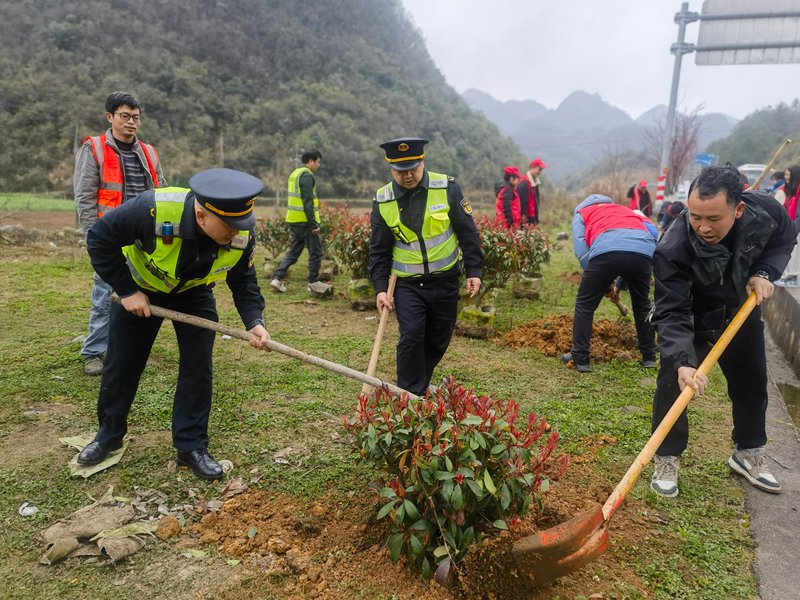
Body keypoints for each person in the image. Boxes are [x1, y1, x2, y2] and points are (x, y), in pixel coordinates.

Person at [78, 168, 271, 479]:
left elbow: (244, 282)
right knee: (121, 364)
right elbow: (99, 238)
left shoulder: (241, 236)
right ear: (201, 214)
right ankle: (108, 436)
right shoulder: (150, 209)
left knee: (198, 367)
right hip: (141, 290)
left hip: (194, 295)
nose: (236, 232)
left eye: (241, 224)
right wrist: (128, 291)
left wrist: (254, 322)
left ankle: (191, 446)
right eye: (228, 225)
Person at [649, 165, 796, 498]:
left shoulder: (767, 212)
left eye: (713, 219)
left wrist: (764, 272)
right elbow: (672, 310)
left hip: (739, 313)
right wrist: (684, 360)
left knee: (752, 382)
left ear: (738, 209)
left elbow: (784, 239)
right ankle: (667, 457)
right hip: (696, 319)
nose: (703, 227)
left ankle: (748, 452)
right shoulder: (673, 247)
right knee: (673, 382)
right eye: (695, 216)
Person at [368, 137, 483, 396]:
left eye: (412, 169)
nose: (407, 176)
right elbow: (378, 250)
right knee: (411, 336)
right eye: (400, 171)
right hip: (407, 284)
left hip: (445, 280)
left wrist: (474, 270)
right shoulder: (383, 199)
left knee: (438, 338)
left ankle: (418, 383)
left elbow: (468, 232)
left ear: (423, 161)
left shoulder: (447, 188)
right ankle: (410, 394)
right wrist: (380, 288)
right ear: (390, 169)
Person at [74, 91, 167, 376]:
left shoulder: (149, 151)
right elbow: (84, 195)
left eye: (135, 117)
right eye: (124, 116)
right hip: (110, 234)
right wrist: (94, 236)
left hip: (143, 236)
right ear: (110, 117)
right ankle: (94, 352)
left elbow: (161, 191)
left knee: (139, 293)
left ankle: (128, 351)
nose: (131, 122)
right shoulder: (95, 149)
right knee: (105, 292)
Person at [560, 194, 658, 373]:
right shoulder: (624, 209)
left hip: (606, 252)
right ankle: (649, 356)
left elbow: (582, 249)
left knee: (585, 305)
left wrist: (601, 280)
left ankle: (580, 358)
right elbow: (653, 231)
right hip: (643, 252)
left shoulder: (581, 213)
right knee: (642, 305)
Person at [270, 150, 331, 295]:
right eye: (318, 162)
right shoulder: (306, 175)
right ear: (311, 161)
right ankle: (313, 283)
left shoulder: (295, 174)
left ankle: (277, 278)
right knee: (316, 252)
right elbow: (307, 201)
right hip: (305, 222)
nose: (318, 165)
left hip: (294, 220)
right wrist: (313, 224)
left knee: (293, 252)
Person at [776, 164, 800, 287]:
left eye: (788, 174)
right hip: (793, 227)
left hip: (797, 228)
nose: (786, 177)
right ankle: (787, 277)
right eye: (785, 174)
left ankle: (793, 277)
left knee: (795, 254)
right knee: (791, 253)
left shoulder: (798, 191)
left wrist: (793, 229)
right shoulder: (792, 190)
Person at [517, 158, 547, 225]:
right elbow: (522, 204)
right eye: (539, 169)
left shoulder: (534, 182)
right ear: (533, 167)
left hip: (533, 217)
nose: (540, 172)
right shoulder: (524, 183)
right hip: (527, 219)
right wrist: (524, 220)